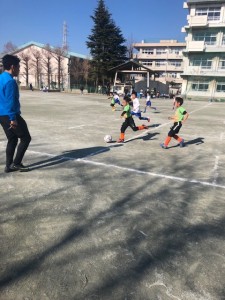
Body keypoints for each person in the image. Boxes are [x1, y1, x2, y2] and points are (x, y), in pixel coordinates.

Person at [0, 54, 31, 172]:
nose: (19, 69)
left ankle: (8, 166)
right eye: (18, 67)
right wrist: (13, 118)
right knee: (26, 138)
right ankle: (16, 163)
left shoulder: (0, 78)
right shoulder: (10, 82)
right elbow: (10, 102)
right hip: (10, 115)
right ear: (13, 67)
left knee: (12, 139)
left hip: (1, 115)